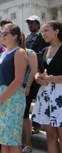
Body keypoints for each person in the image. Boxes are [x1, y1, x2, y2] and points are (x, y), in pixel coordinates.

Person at [0, 24, 28, 153]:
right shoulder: (2, 55)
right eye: (2, 34)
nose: (2, 36)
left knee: (13, 141)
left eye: (5, 33)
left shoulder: (19, 52)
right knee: (3, 140)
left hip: (12, 100)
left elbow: (18, 81)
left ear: (15, 36)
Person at [31, 20, 62, 153]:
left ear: (57, 31)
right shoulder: (44, 50)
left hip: (60, 95)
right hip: (45, 95)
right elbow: (38, 71)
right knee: (50, 135)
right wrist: (37, 78)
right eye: (42, 31)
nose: (43, 33)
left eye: (46, 30)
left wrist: (52, 79)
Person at [25, 15, 49, 134]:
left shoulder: (42, 38)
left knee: (38, 99)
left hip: (39, 72)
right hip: (27, 73)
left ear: (38, 24)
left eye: (33, 23)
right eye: (29, 23)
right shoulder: (27, 38)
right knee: (29, 100)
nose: (30, 25)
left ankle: (37, 125)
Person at [20, 33, 38, 153]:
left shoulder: (30, 52)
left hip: (26, 86)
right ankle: (20, 141)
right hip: (15, 87)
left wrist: (28, 86)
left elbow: (33, 70)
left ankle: (28, 143)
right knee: (19, 116)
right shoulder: (14, 52)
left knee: (25, 116)